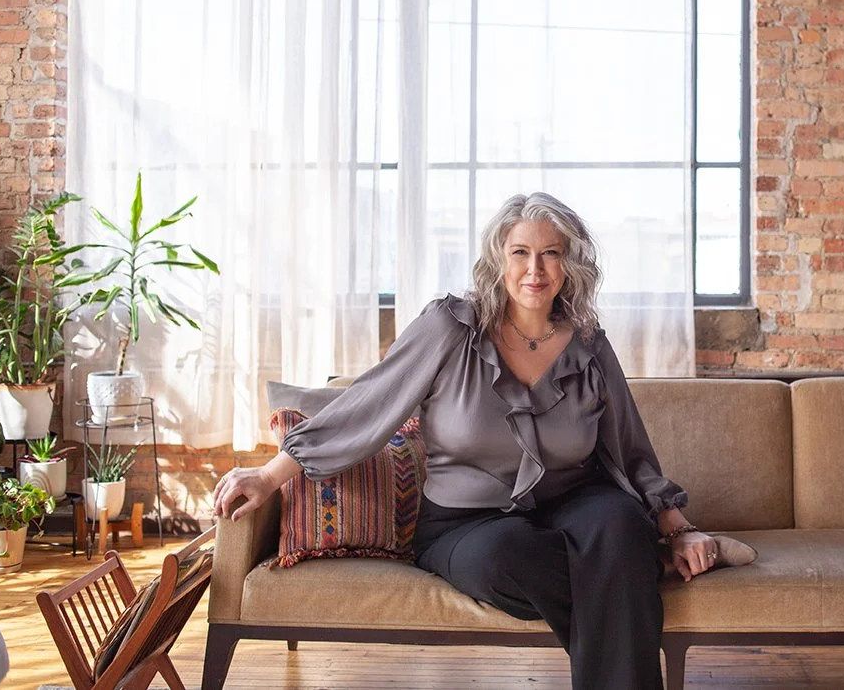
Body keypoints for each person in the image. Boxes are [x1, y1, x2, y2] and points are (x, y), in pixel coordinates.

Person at [213, 192, 730, 690]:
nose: (536, 270)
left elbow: (629, 448)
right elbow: (366, 403)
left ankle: (628, 559)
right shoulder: (450, 327)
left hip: (575, 500)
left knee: (618, 524)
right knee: (515, 556)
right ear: (497, 261)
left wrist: (679, 529)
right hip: (467, 521)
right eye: (521, 253)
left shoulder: (589, 343)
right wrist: (268, 474)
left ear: (571, 265)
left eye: (552, 254)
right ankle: (632, 571)